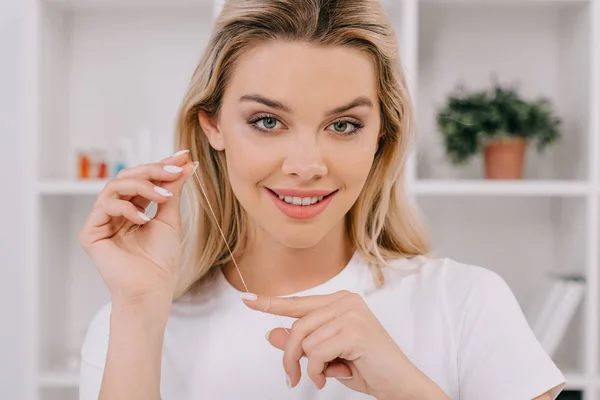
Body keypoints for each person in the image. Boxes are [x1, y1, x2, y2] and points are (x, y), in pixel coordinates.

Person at [77, 0, 566, 399]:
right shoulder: (132, 321)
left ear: (382, 137)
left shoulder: (465, 303)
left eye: (343, 125)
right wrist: (140, 312)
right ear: (213, 125)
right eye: (267, 122)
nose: (306, 164)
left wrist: (408, 389)